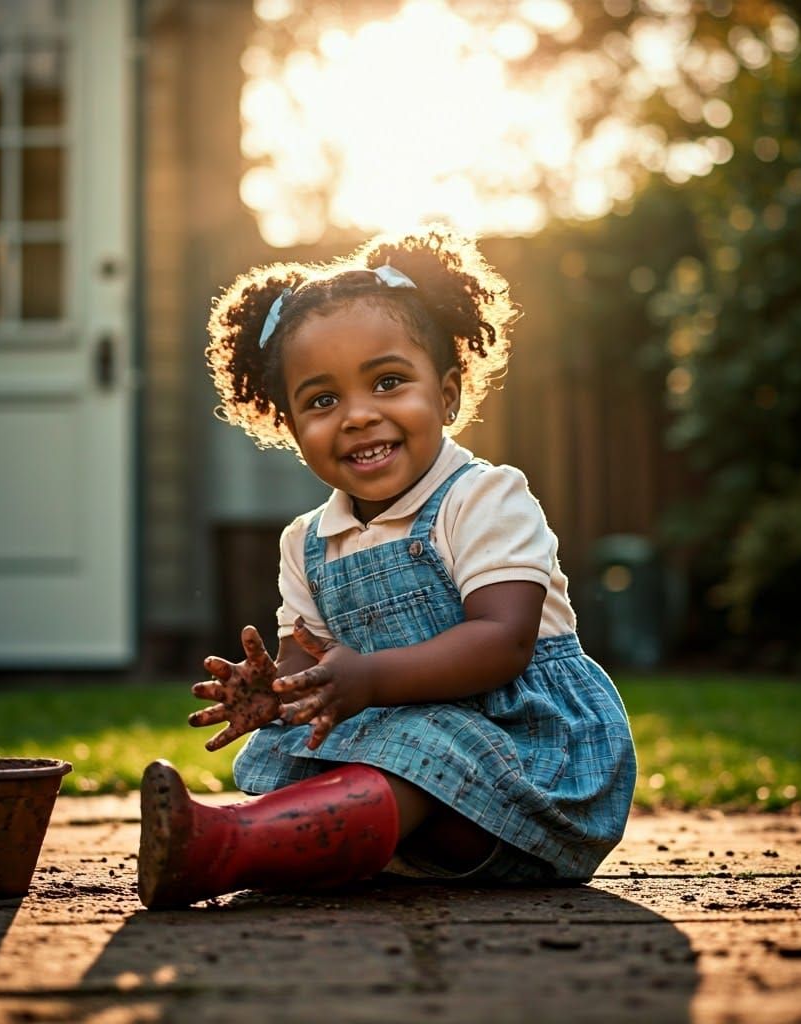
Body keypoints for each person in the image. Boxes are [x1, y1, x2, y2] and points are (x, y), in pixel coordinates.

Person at [137, 227, 637, 909]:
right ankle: (262, 848)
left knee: (416, 748)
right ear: (288, 425)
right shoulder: (306, 542)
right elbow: (303, 660)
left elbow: (504, 640)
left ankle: (228, 847)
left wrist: (369, 676)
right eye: (321, 400)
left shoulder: (483, 498)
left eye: (389, 382)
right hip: (399, 751)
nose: (359, 415)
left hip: (530, 770)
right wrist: (275, 690)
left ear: (450, 395)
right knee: (334, 754)